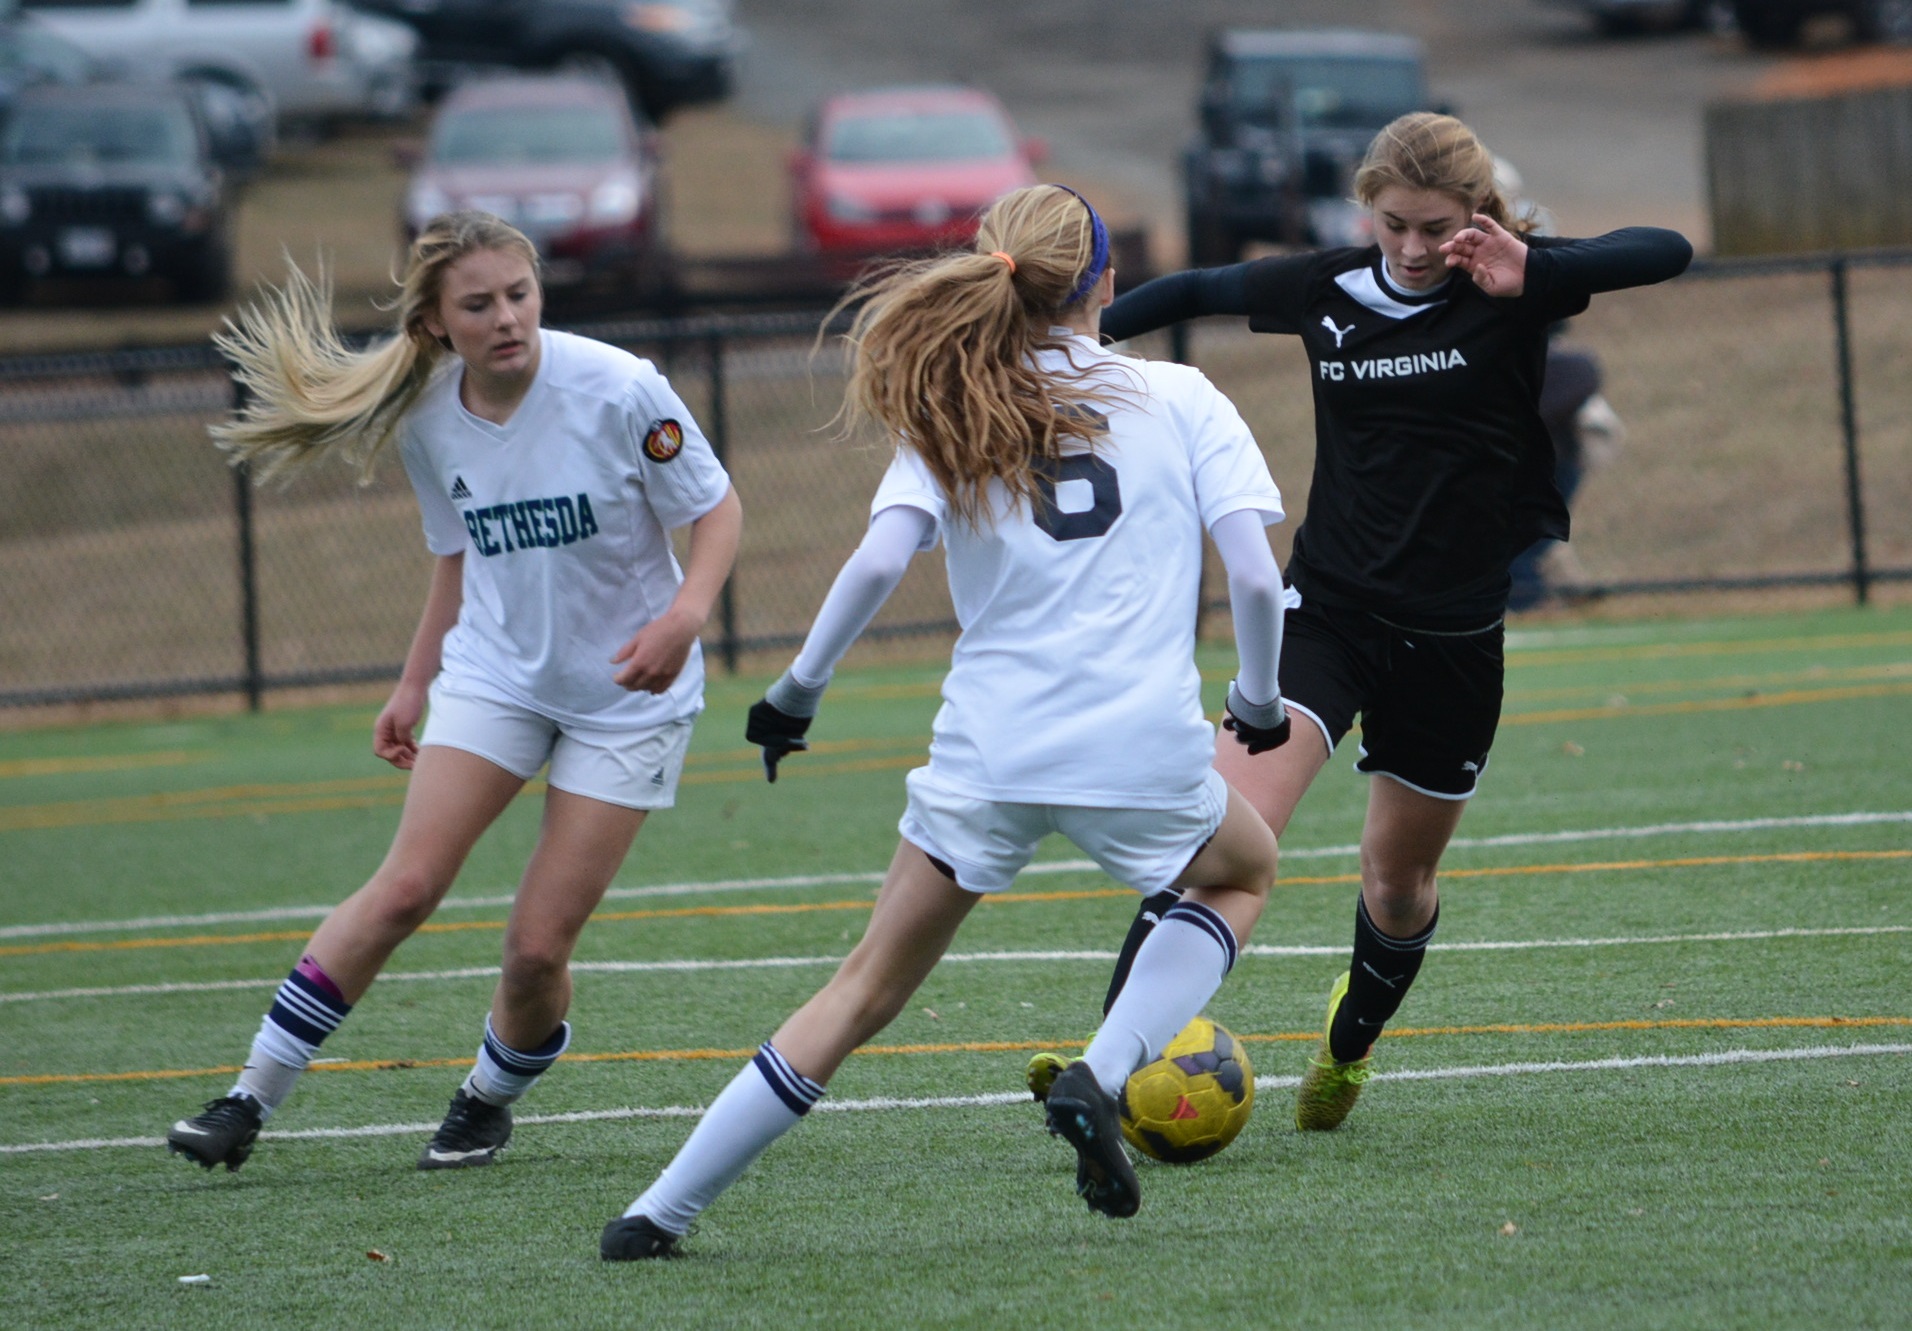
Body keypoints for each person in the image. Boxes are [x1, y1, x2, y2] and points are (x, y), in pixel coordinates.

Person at [599, 183, 1290, 1259]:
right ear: (1106, 282)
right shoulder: (1183, 397)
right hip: (1139, 748)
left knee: (865, 984)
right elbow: (1253, 574)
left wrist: (797, 691)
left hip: (987, 753)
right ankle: (1100, 1077)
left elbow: (879, 558)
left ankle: (657, 1212)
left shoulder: (954, 400)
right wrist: (1252, 696)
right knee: (1241, 873)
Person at [1044, 113, 1690, 1133]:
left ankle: (1348, 1047)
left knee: (1398, 881)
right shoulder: (1327, 288)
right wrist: (1063, 345)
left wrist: (1535, 264)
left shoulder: (1514, 286)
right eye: (1394, 224)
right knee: (1210, 834)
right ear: (1368, 211)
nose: (1413, 247)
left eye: (1436, 226)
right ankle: (1107, 1064)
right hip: (1325, 615)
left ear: (1475, 217)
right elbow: (1199, 293)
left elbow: (1668, 251)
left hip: (1454, 638)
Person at [165, 211, 742, 1173]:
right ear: (436, 322)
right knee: (402, 888)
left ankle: (485, 1098)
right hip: (496, 677)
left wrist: (684, 616)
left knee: (533, 951)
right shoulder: (428, 415)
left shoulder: (620, 386)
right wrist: (413, 680)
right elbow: (456, 556)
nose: (507, 317)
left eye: (519, 294)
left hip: (625, 697)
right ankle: (245, 1100)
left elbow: (716, 510)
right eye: (478, 304)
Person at [1507, 337, 1627, 609]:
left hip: (1550, 466)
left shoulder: (1560, 364)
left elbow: (1583, 372)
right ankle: (1555, 595)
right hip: (1508, 469)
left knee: (1526, 541)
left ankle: (1530, 606)